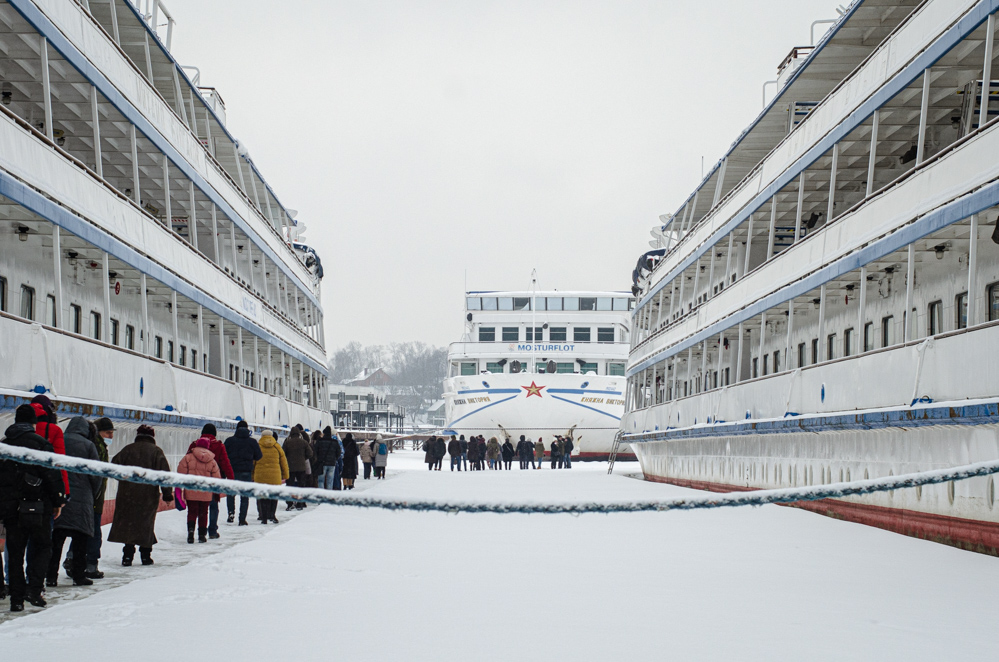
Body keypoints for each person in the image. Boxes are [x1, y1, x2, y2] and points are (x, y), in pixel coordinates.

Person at [0, 405, 67, 611]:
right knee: (42, 547)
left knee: (15, 551)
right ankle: (35, 589)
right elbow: (51, 475)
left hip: (11, 509)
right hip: (38, 507)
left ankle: (16, 599)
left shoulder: (4, 445)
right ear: (33, 423)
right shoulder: (41, 444)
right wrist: (58, 501)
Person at [107, 425, 172, 567]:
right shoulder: (156, 451)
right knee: (146, 525)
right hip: (148, 496)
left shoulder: (128, 449)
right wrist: (167, 494)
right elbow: (164, 475)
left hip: (127, 494)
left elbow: (113, 468)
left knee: (130, 525)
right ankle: (145, 556)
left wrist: (125, 481)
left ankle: (127, 556)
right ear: (152, 437)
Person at [47, 417, 101, 587]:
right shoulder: (88, 445)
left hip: (60, 497)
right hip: (82, 499)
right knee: (80, 542)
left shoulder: (59, 440)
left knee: (56, 542)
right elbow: (95, 473)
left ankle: (51, 576)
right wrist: (93, 492)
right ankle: (78, 576)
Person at [186, 424, 233, 540]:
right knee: (211, 506)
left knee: (195, 507)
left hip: (195, 481)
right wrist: (231, 479)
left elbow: (186, 461)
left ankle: (193, 530)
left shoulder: (194, 445)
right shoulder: (219, 446)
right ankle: (211, 531)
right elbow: (225, 463)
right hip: (212, 481)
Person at [177, 437, 222, 543]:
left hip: (191, 490)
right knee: (203, 513)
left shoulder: (187, 458)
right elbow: (217, 478)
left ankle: (191, 533)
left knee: (192, 512)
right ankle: (202, 535)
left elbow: (180, 474)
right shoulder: (212, 460)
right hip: (206, 492)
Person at [86, 417, 114, 578]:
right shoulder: (96, 447)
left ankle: (76, 560)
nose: (111, 436)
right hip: (94, 497)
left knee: (87, 532)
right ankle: (91, 565)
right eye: (108, 432)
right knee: (94, 532)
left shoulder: (98, 445)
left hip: (94, 496)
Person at [223, 421, 261, 526]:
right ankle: (242, 519)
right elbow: (259, 456)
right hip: (246, 472)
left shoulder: (229, 441)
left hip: (232, 471)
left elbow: (224, 455)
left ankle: (231, 513)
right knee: (244, 496)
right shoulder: (252, 442)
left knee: (231, 494)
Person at [30, 394, 69, 495]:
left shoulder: (20, 428)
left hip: (22, 485)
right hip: (47, 485)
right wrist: (65, 491)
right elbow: (59, 462)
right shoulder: (54, 430)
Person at [253, 430, 289, 524]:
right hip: (275, 476)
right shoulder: (277, 446)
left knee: (263, 497)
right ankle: (272, 515)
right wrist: (285, 475)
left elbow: (253, 462)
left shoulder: (257, 446)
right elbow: (283, 462)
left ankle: (264, 518)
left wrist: (252, 475)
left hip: (260, 476)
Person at [282, 426, 314, 510]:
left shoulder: (287, 442)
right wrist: (303, 458)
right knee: (301, 485)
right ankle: (300, 503)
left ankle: (289, 503)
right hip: (301, 467)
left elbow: (283, 454)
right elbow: (310, 453)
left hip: (290, 467)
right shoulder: (303, 442)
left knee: (289, 485)